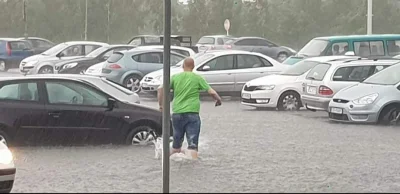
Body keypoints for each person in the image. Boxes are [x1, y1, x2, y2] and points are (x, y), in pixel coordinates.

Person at [157, 57, 222, 159]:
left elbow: (160, 89)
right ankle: (192, 167)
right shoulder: (197, 78)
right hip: (192, 114)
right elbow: (212, 92)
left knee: (176, 143)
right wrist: (218, 100)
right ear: (193, 66)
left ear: (183, 66)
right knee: (192, 145)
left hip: (177, 113)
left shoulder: (175, 77)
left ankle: (167, 160)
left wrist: (161, 105)